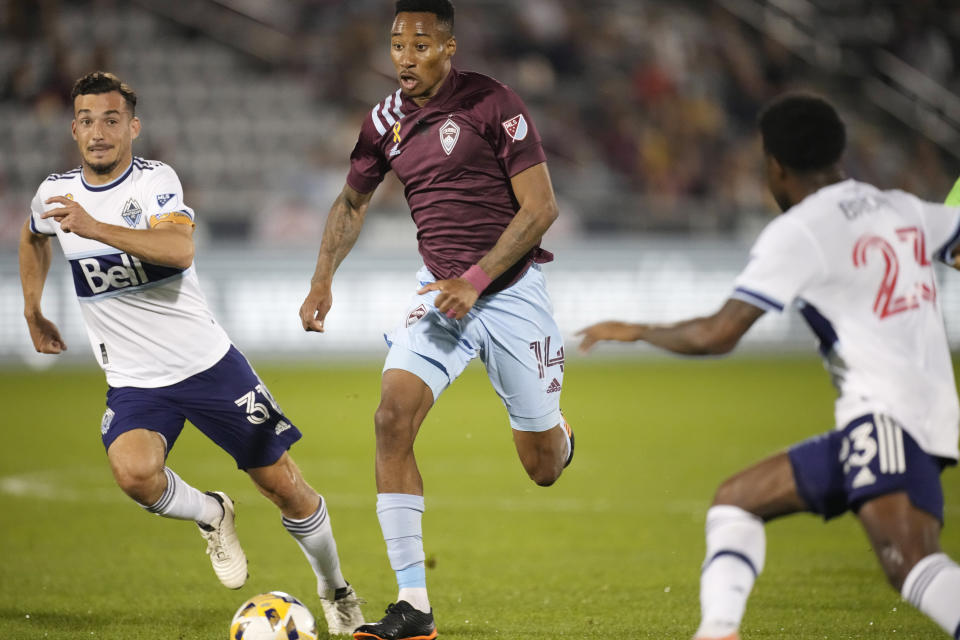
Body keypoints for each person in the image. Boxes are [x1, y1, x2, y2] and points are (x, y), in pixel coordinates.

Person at [577, 94, 960, 639]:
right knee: (737, 502)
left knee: (914, 565)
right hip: (899, 414)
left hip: (889, 416)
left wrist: (637, 330)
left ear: (775, 165)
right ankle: (718, 630)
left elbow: (717, 334)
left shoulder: (801, 230)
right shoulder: (901, 206)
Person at [18, 71, 364, 636]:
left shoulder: (155, 183)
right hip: (134, 379)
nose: (98, 132)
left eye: (110, 120)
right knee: (133, 473)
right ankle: (212, 513)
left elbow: (178, 250)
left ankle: (336, 587)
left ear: (133, 126)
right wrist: (33, 308)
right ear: (73, 129)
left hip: (208, 367)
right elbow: (34, 237)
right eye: (86, 121)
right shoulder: (53, 194)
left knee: (285, 489)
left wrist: (96, 227)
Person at [298, 1, 573, 638]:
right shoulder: (383, 122)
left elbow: (540, 209)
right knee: (392, 416)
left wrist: (476, 281)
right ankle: (414, 607)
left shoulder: (493, 103)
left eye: (420, 46)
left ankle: (557, 428)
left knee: (543, 467)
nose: (405, 58)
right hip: (441, 294)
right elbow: (350, 202)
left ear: (449, 48)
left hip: (508, 294)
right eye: (397, 46)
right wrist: (321, 279)